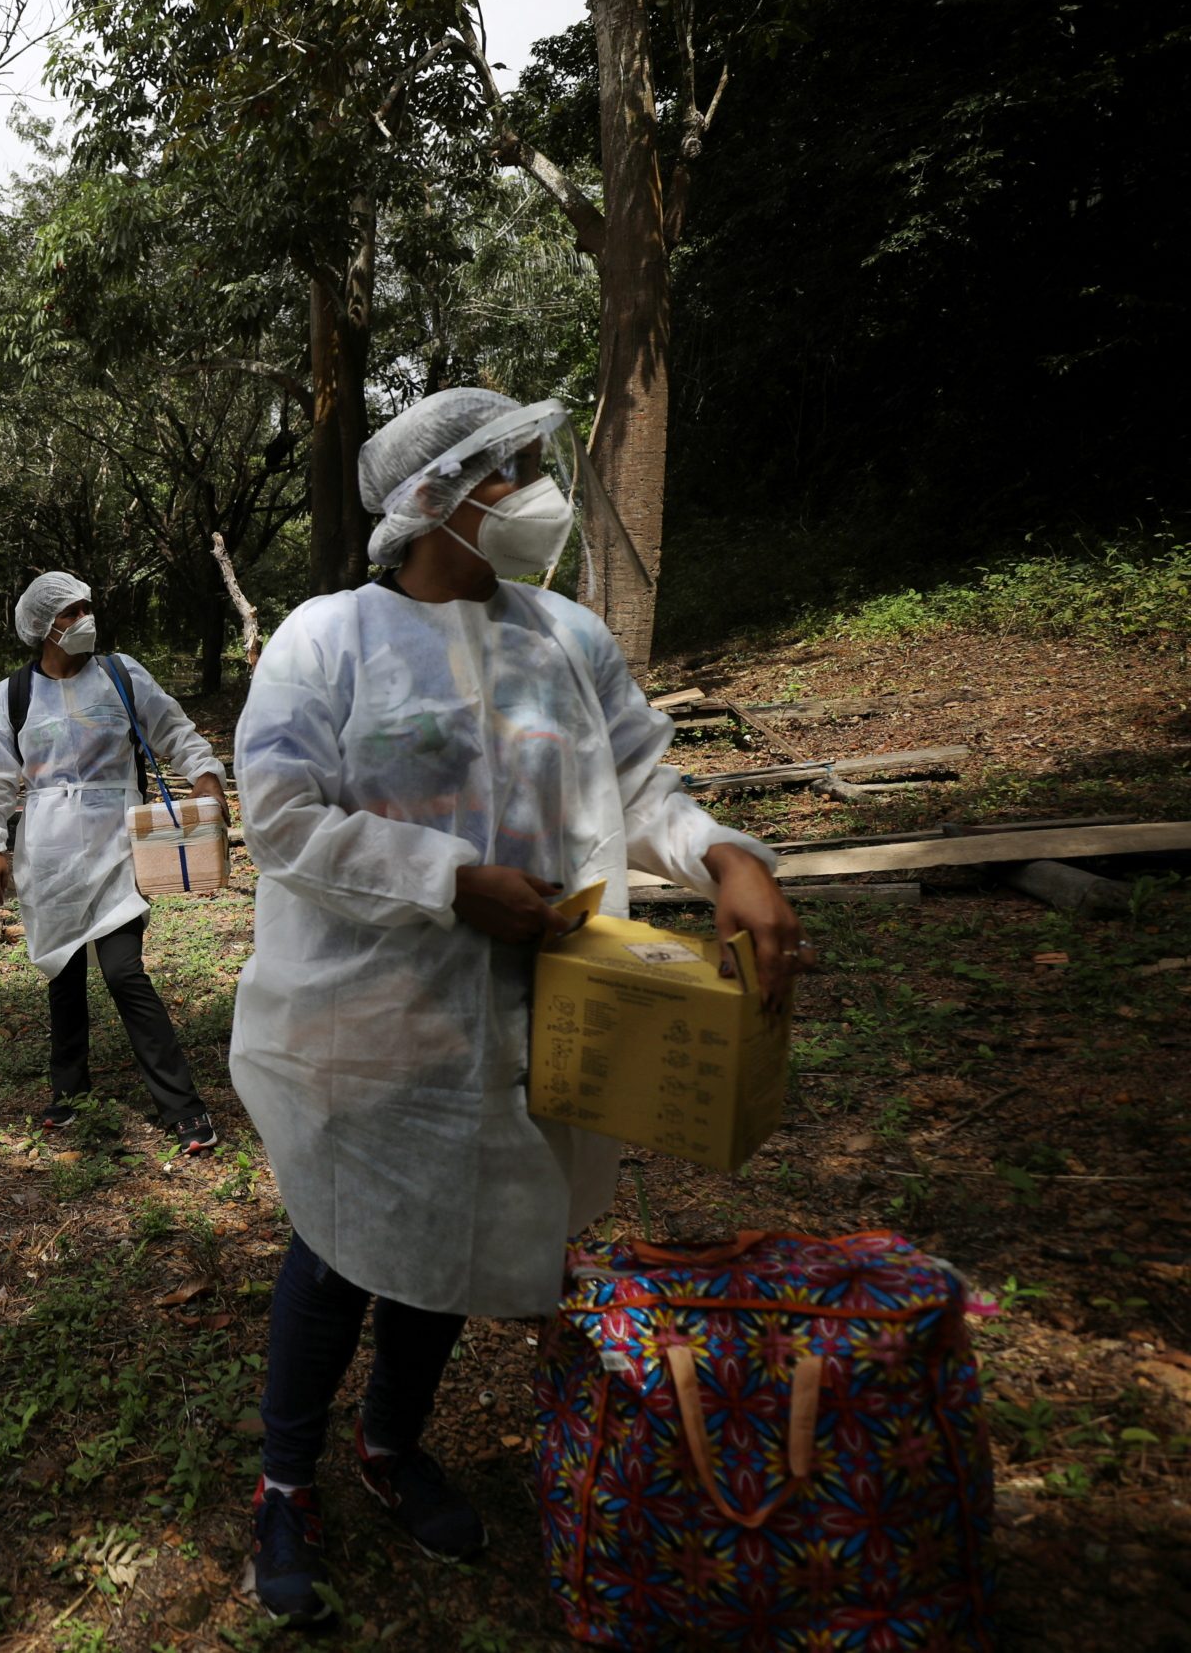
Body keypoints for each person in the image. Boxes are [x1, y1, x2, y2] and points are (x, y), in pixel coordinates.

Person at [230, 390, 804, 1614]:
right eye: (521, 469)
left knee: (458, 1232)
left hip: (534, 1015)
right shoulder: (324, 639)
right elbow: (279, 817)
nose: (543, 491)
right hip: (369, 1011)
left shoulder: (566, 637)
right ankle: (286, 1483)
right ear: (440, 495)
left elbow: (644, 782)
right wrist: (448, 881)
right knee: (340, 1246)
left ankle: (390, 1446)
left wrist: (727, 859)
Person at [0, 571, 231, 1158]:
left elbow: (173, 729)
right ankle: (68, 1096)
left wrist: (206, 777)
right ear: (43, 626)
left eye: (87, 606)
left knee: (123, 972)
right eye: (71, 611)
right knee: (62, 975)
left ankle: (183, 1108)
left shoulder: (121, 674)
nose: (85, 618)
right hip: (48, 854)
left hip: (120, 845)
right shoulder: (10, 697)